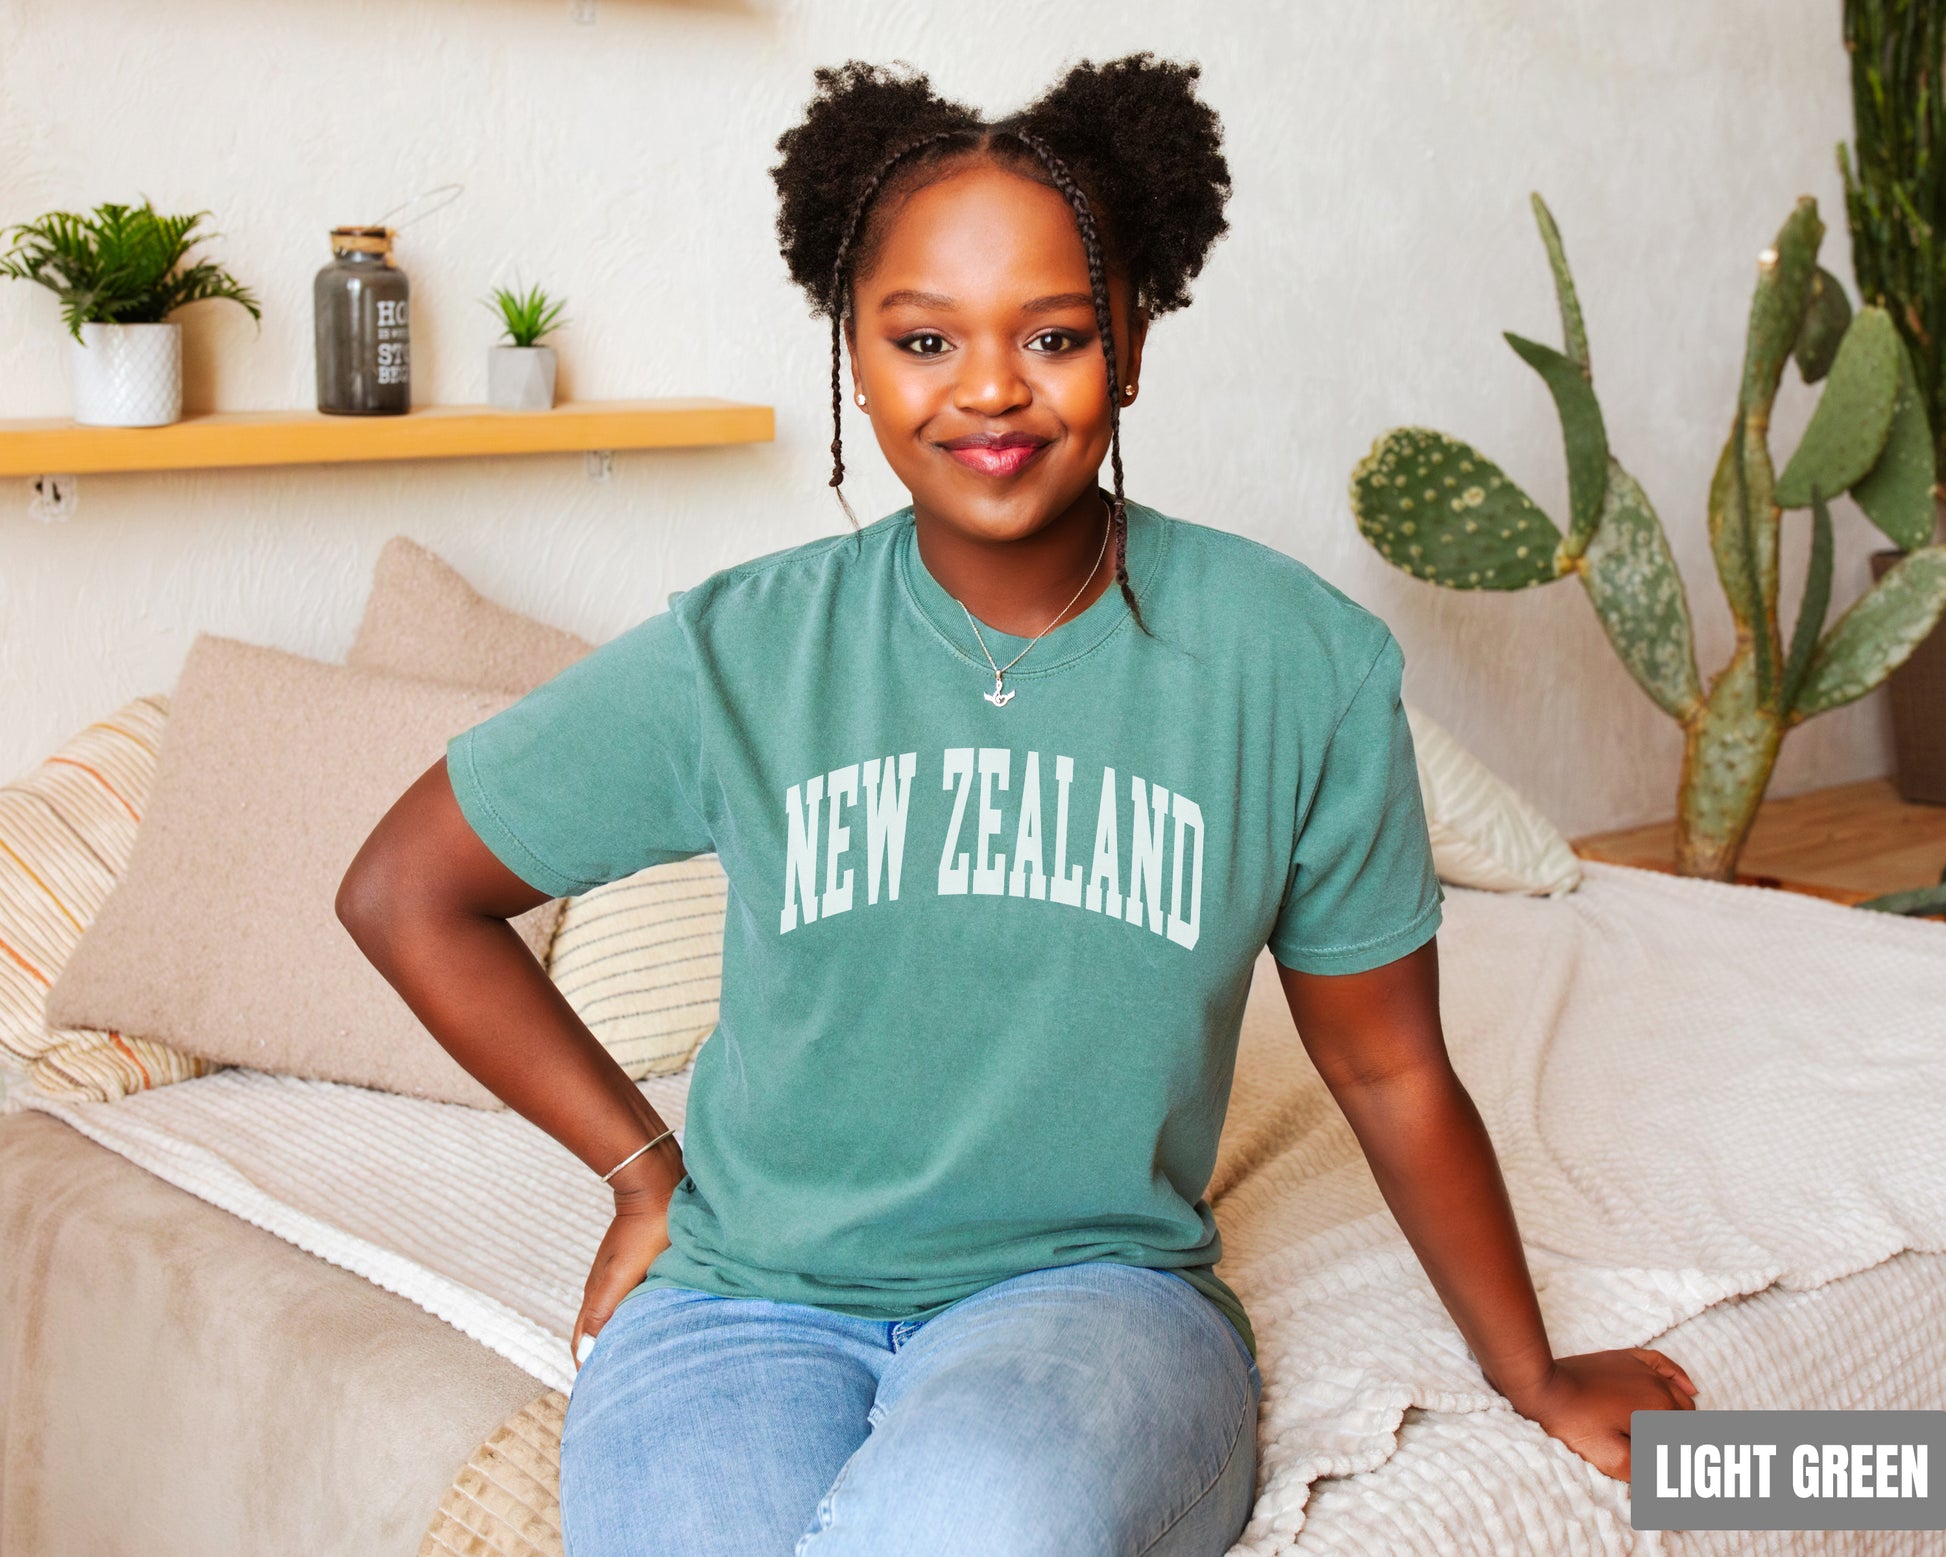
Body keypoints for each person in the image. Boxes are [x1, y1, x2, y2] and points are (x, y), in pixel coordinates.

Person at [337, 53, 1697, 1557]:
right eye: (923, 337)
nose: (988, 386)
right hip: (738, 1304)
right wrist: (640, 1174)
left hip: (1093, 1307)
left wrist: (1529, 1366)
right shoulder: (743, 652)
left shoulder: (1293, 663)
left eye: (1052, 333)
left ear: (1132, 338)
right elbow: (405, 889)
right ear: (852, 352)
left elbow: (1385, 1070)